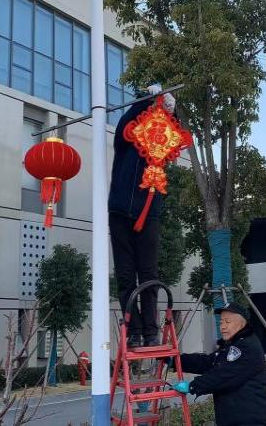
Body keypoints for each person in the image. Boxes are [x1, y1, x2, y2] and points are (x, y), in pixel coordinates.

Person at [108, 84, 176, 348]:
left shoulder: (158, 148)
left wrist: (170, 109)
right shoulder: (126, 139)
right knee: (125, 275)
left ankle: (150, 330)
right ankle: (133, 329)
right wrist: (145, 101)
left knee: (148, 273)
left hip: (149, 213)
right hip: (119, 210)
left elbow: (175, 132)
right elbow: (126, 124)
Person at [173, 302, 266, 426]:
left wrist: (193, 386)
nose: (223, 326)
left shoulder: (246, 346)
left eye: (227, 322)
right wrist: (176, 360)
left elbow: (223, 375)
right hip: (234, 419)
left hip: (249, 420)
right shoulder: (232, 345)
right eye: (221, 322)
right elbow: (209, 362)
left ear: (242, 324)